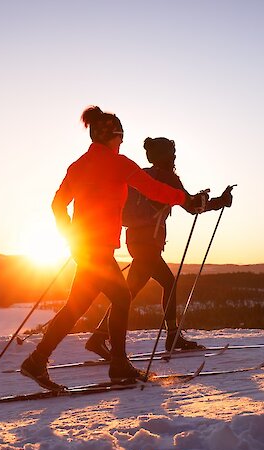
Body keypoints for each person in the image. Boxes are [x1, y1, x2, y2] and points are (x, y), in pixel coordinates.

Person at [20, 107, 204, 389]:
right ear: (113, 136)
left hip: (84, 248)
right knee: (121, 298)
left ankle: (36, 361)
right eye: (120, 136)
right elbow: (154, 189)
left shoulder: (78, 165)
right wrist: (186, 199)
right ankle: (118, 365)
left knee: (75, 307)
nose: (122, 142)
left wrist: (69, 234)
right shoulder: (118, 164)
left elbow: (57, 204)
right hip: (97, 250)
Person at [84, 137, 234, 361]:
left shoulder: (143, 174)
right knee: (154, 287)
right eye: (172, 153)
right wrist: (220, 201)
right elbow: (192, 206)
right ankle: (169, 336)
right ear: (167, 156)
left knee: (130, 291)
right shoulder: (169, 178)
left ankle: (101, 336)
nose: (174, 157)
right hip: (149, 244)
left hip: (134, 240)